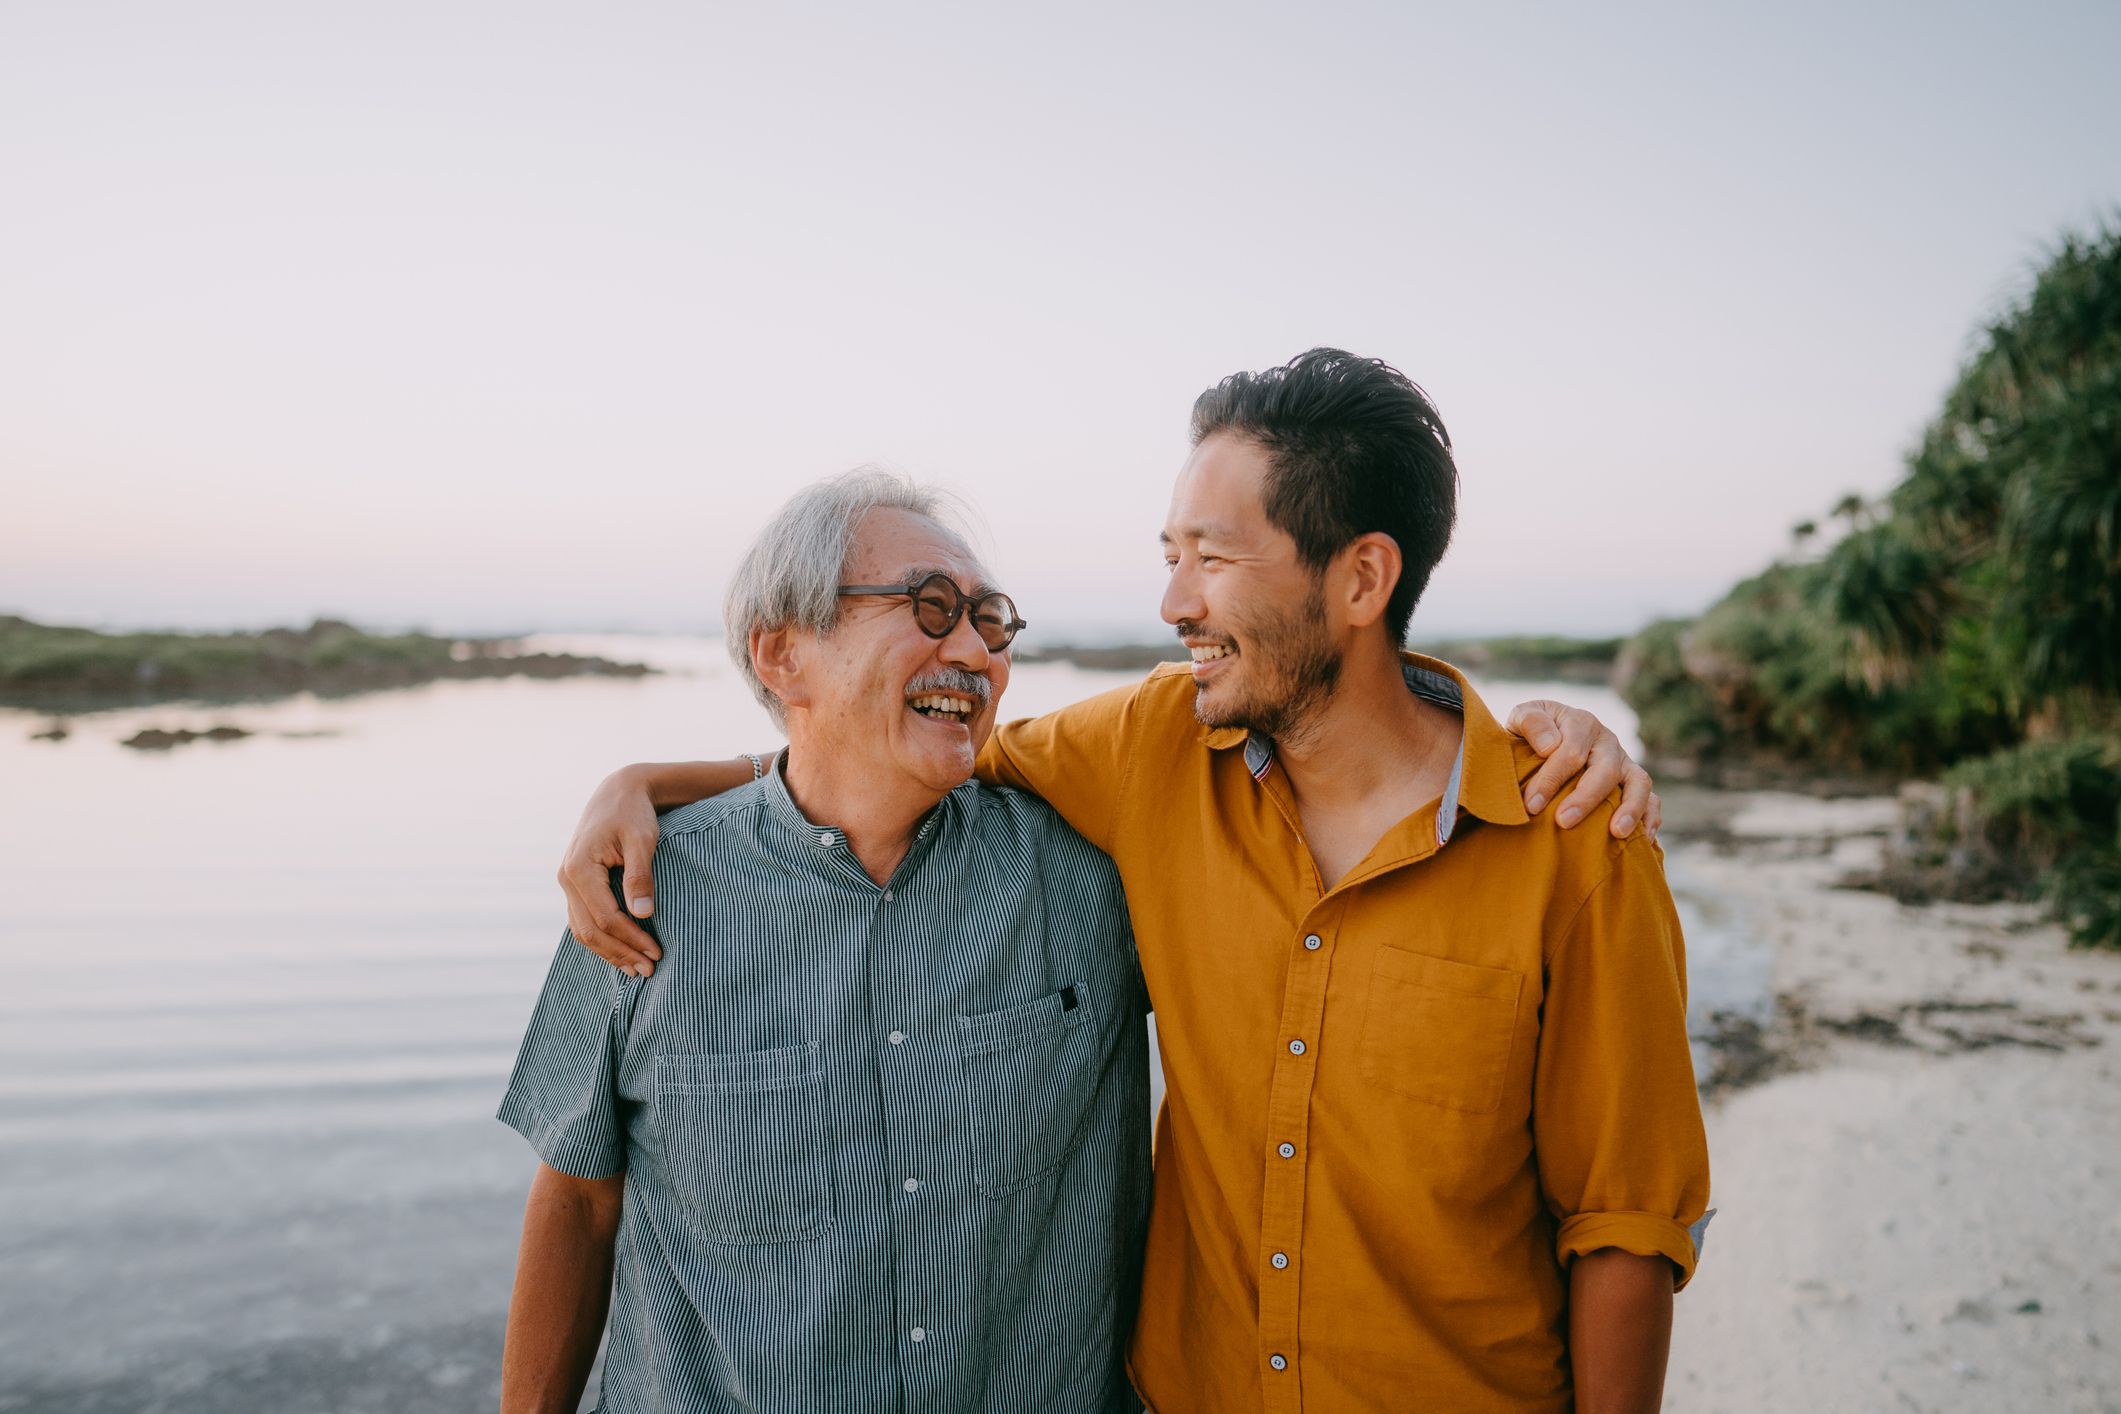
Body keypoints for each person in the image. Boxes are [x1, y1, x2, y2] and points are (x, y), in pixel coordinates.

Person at [559, 350, 1709, 1412]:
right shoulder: (1151, 747)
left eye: (1212, 558)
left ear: (1361, 578)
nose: (1175, 605)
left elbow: (1622, 1228)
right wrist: (658, 780)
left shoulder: (1579, 842)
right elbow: (896, 751)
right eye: (1172, 559)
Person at [497, 478, 1152, 1413]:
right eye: (928, 608)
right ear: (782, 654)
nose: (972, 651)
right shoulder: (642, 893)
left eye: (989, 620)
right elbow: (575, 1200)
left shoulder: (1094, 880)